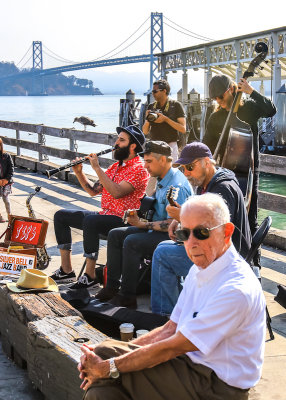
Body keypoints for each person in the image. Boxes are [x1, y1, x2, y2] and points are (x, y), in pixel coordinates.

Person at [78, 193, 266, 400]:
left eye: (202, 232)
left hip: (217, 385)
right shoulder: (201, 267)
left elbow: (174, 346)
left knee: (106, 376)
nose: (191, 243)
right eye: (184, 234)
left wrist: (108, 367)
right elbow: (171, 328)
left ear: (227, 232)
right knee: (103, 363)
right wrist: (108, 356)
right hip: (191, 365)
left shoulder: (236, 290)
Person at [151, 142, 251, 315]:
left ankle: (165, 315)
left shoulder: (221, 189)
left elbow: (214, 229)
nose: (187, 173)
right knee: (162, 247)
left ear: (206, 162)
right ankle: (183, 306)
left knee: (162, 255)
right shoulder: (207, 183)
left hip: (225, 257)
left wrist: (182, 216)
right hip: (217, 250)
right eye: (183, 169)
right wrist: (180, 220)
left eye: (190, 167)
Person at [95, 140, 192, 309]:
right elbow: (154, 206)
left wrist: (142, 225)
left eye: (149, 162)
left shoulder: (177, 185)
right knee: (115, 234)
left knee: (132, 242)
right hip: (156, 229)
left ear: (163, 160)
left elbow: (173, 224)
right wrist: (138, 215)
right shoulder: (163, 177)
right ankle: (111, 287)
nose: (145, 166)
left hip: (172, 237)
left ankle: (128, 296)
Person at [50, 125, 149, 288]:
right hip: (104, 215)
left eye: (121, 140)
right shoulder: (115, 167)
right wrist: (79, 172)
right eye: (117, 139)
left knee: (92, 221)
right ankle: (66, 271)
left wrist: (96, 167)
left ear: (133, 146)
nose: (116, 143)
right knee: (61, 215)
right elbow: (93, 191)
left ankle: (90, 277)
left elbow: (117, 192)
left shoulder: (139, 169)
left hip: (123, 220)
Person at [203, 74, 276, 265]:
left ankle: (253, 261)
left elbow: (271, 110)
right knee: (224, 216)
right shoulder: (216, 117)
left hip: (249, 170)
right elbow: (207, 145)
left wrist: (251, 91)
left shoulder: (248, 108)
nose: (219, 101)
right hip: (225, 173)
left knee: (250, 217)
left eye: (221, 96)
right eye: (215, 98)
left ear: (231, 89)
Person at [142, 79, 186, 162]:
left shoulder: (176, 105)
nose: (153, 94)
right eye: (152, 91)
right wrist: (147, 119)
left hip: (170, 146)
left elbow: (183, 129)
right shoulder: (151, 106)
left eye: (155, 91)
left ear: (164, 91)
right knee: (154, 173)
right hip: (154, 146)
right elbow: (145, 131)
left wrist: (165, 119)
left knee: (171, 172)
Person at [0, 138, 14, 222]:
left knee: (6, 200)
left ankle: (10, 216)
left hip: (6, 181)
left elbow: (11, 168)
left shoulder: (6, 156)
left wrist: (7, 179)